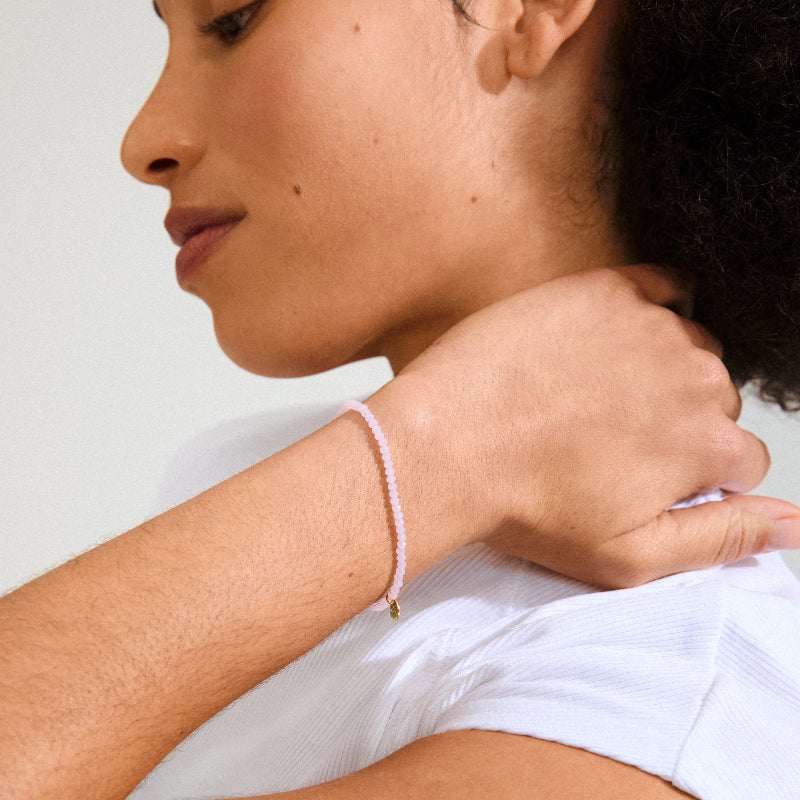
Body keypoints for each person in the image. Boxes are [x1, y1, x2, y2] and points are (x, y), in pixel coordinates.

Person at [2, 0, 800, 798]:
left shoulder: (648, 694)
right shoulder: (264, 472)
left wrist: (431, 460)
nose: (146, 140)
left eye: (232, 19)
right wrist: (438, 454)